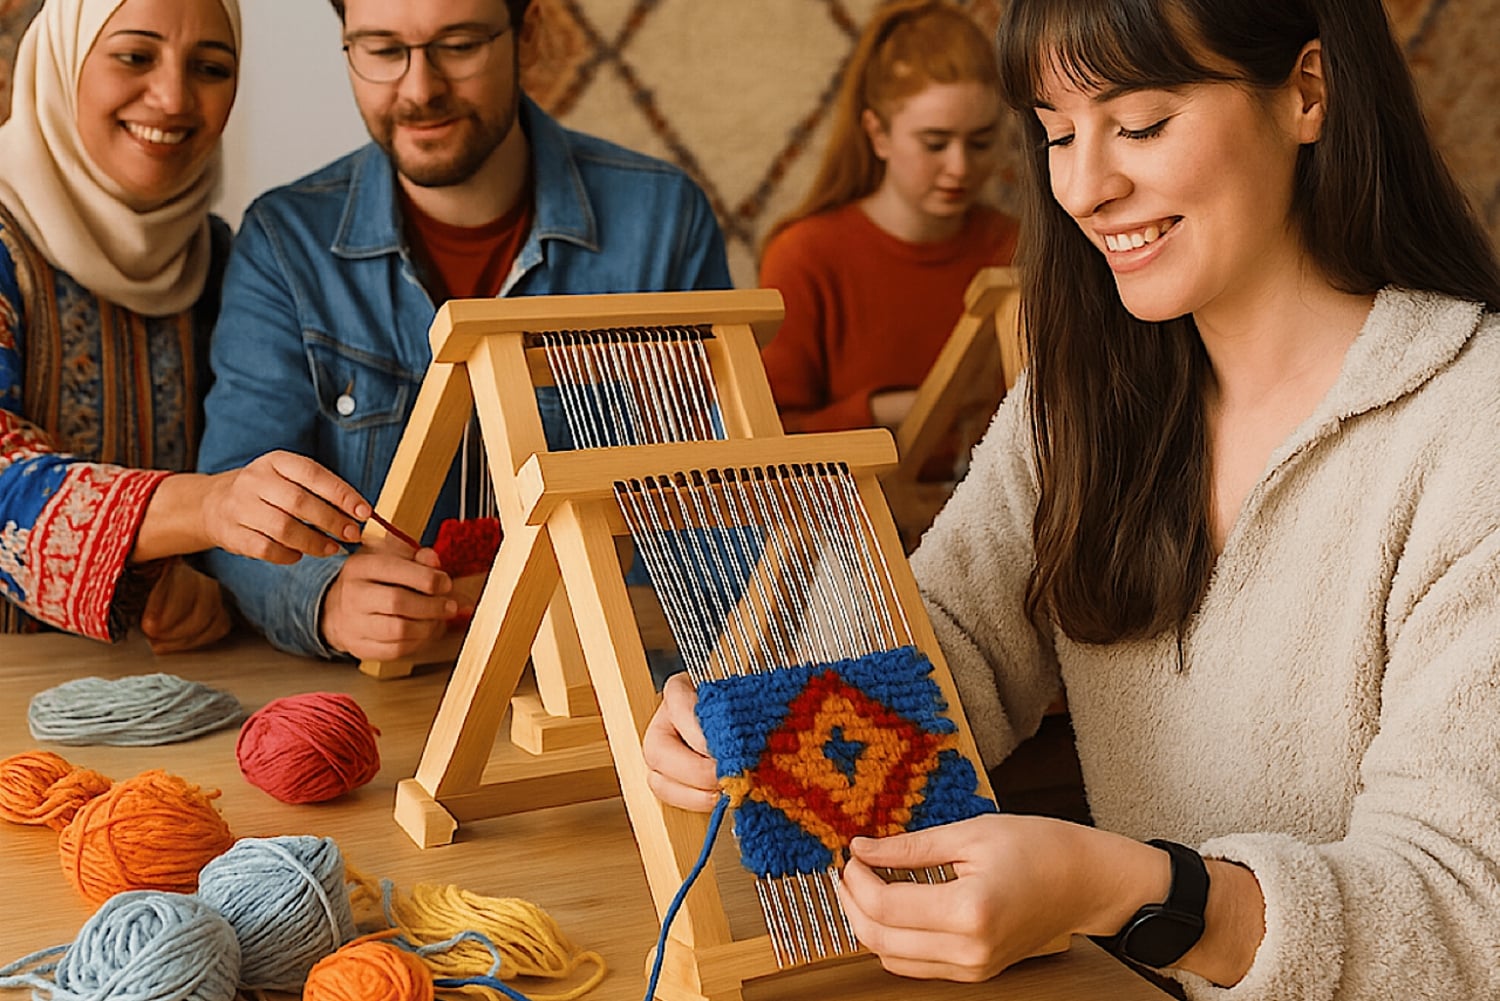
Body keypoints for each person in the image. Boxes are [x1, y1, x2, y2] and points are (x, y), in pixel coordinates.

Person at [643, 0, 1500, 997]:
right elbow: (948, 652)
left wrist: (1132, 893)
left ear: (1307, 92)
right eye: (1056, 134)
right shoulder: (1075, 401)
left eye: (1141, 124)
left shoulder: (1470, 425)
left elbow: (1464, 919)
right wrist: (763, 722)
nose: (1085, 189)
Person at [195, 0, 732, 663]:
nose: (420, 90)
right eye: (382, 50)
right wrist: (326, 598)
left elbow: (720, 505)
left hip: (610, 672)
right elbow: (236, 497)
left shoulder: (663, 221)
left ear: (527, 36)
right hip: (377, 690)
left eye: (459, 45)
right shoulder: (284, 242)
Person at [0, 0, 372, 653]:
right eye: (134, 57)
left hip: (189, 695)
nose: (173, 98)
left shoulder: (226, 261)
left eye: (211, 68)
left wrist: (219, 586)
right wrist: (203, 510)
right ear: (61, 60)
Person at [758, 0, 1019, 435]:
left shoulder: (1016, 246)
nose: (959, 167)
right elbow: (768, 436)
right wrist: (889, 410)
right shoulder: (804, 255)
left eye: (980, 142)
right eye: (935, 144)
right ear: (878, 134)